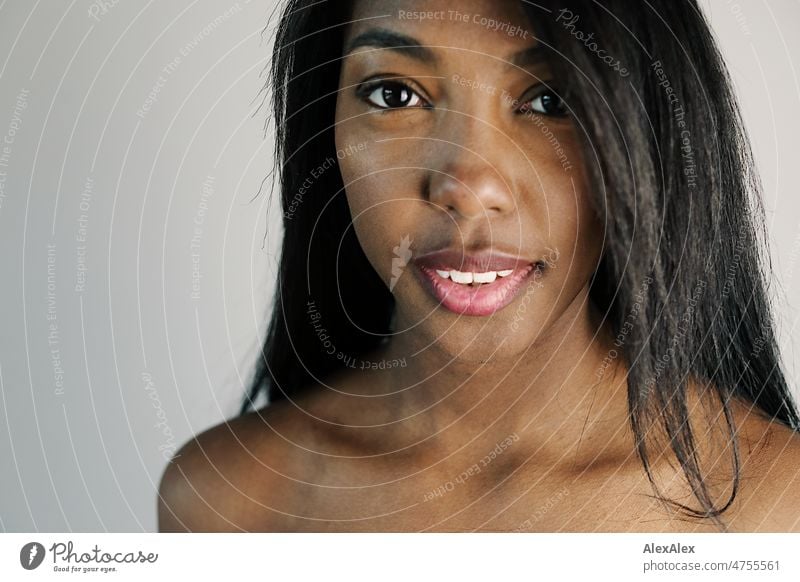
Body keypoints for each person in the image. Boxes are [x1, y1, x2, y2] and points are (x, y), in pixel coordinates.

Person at [158, 0, 800, 532]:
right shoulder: (226, 500)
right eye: (394, 93)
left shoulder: (776, 512)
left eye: (550, 100)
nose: (467, 185)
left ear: (651, 135)